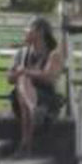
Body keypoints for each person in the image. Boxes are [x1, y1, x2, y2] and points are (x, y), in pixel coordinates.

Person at [7, 17, 64, 156]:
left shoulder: (53, 54)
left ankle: (25, 144)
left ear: (40, 32)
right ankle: (34, 111)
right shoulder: (21, 53)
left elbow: (49, 78)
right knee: (23, 83)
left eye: (28, 28)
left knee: (23, 81)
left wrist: (25, 71)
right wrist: (20, 74)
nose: (25, 32)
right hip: (28, 102)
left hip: (46, 98)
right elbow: (9, 78)